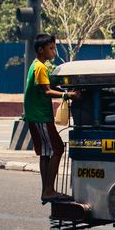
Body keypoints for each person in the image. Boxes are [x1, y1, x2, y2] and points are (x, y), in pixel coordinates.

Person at [23, 34, 78, 204]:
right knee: (57, 148)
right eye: (51, 48)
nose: (54, 51)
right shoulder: (39, 67)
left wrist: (62, 87)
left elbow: (48, 85)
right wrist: (68, 94)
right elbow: (47, 91)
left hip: (38, 115)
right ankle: (48, 190)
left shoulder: (38, 66)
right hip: (40, 116)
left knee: (47, 152)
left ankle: (47, 190)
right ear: (41, 50)